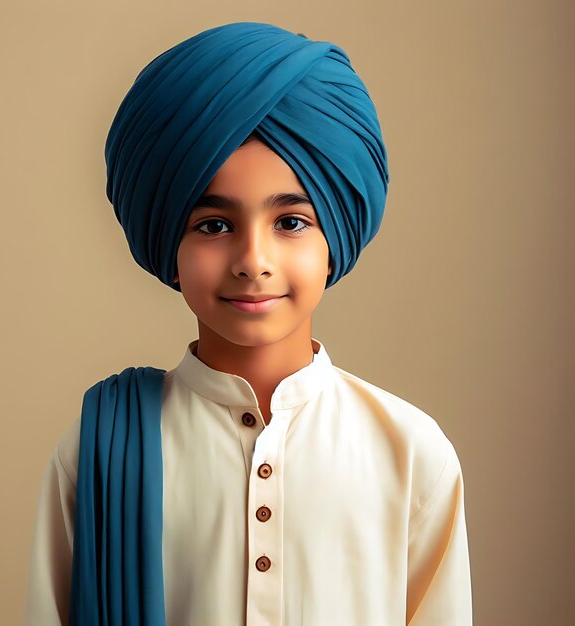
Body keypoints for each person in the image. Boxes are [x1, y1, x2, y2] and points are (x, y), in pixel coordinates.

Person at [24, 21, 473, 626]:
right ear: (169, 246)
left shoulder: (411, 454)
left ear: (334, 239)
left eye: (291, 222)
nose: (253, 262)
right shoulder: (97, 452)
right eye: (213, 225)